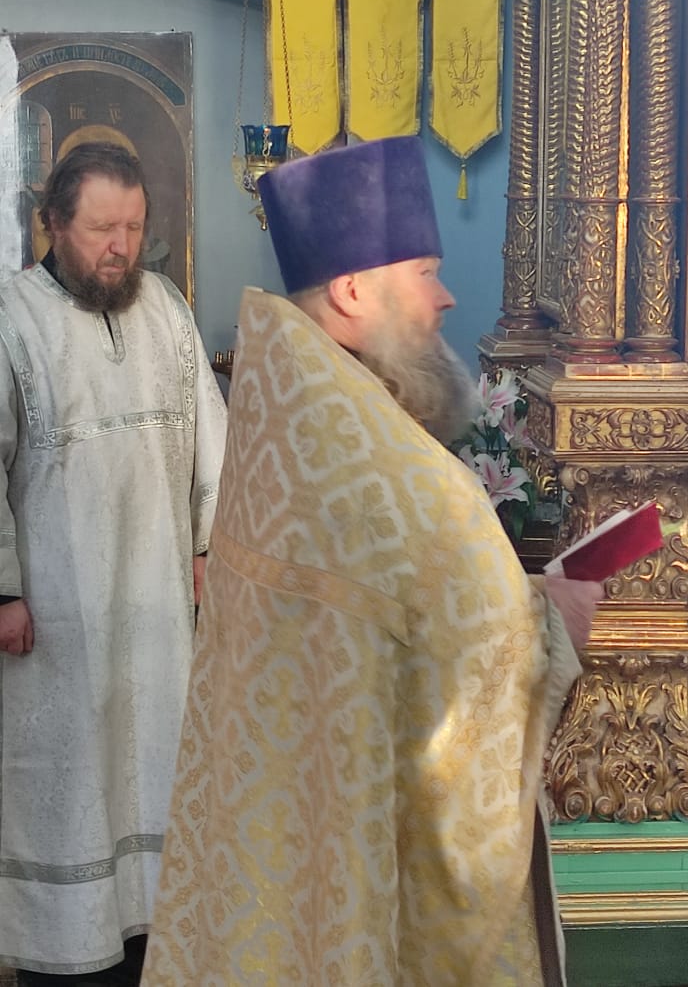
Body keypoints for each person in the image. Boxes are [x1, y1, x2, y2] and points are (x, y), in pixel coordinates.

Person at [140, 136, 602, 986]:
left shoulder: (281, 437)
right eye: (425, 272)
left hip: (277, 865)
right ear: (353, 292)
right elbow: (473, 702)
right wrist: (553, 621)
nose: (446, 295)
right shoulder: (407, 482)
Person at [0, 143, 228, 984]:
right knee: (72, 793)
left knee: (158, 778)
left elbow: (213, 441)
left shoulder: (165, 307)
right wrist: (4, 590)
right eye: (101, 228)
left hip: (160, 611)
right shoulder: (12, 319)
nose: (120, 248)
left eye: (132, 227)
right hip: (59, 620)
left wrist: (207, 546)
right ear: (53, 224)